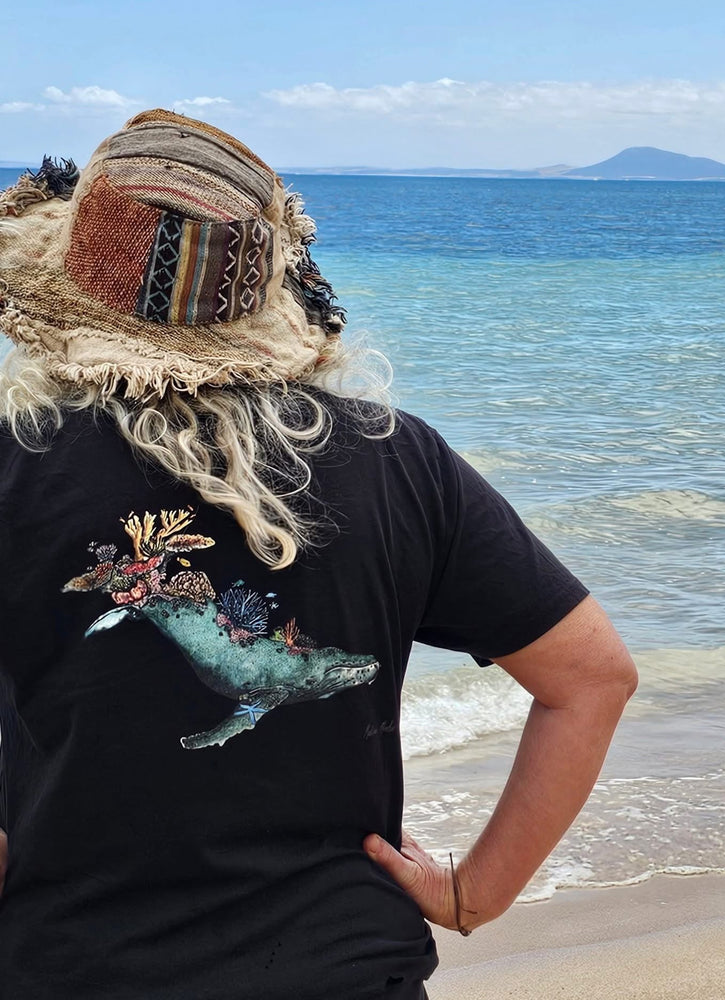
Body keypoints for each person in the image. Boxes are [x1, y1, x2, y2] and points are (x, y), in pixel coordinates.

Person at [0, 110, 637, 1000]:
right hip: (348, 971)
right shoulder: (401, 460)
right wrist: (474, 892)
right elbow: (593, 678)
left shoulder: (13, 466)